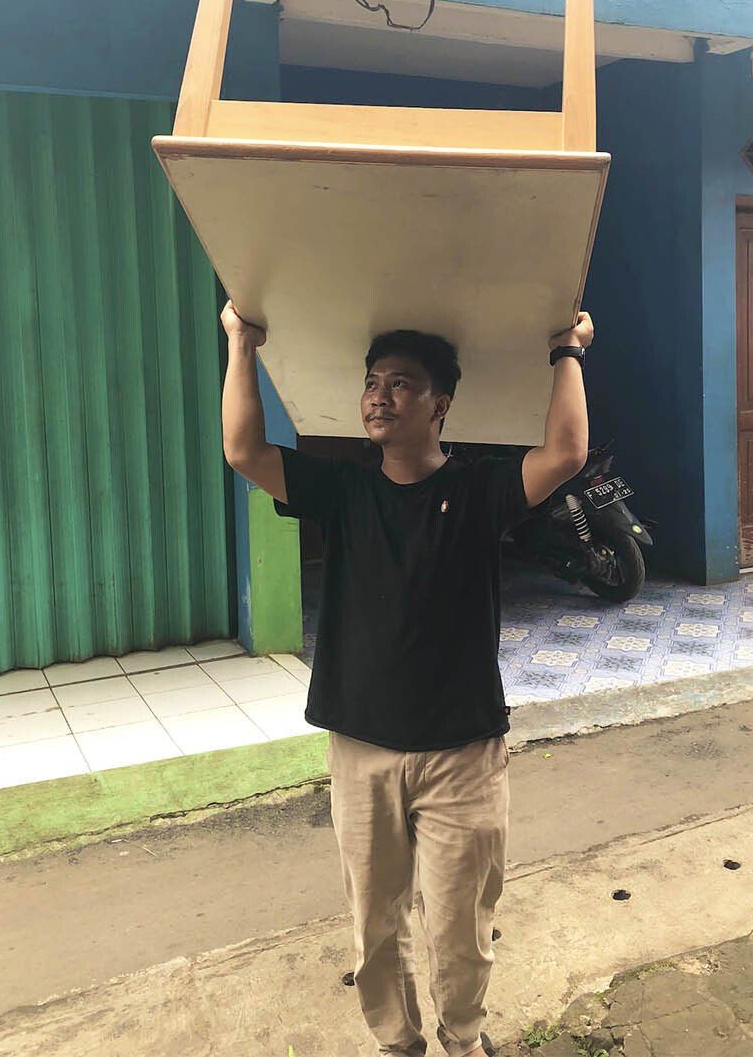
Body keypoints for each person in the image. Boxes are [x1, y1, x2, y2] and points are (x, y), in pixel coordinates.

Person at [220, 301, 593, 1057]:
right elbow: (243, 450)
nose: (379, 396)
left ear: (441, 405)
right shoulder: (344, 490)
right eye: (372, 382)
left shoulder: (481, 490)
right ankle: (397, 1042)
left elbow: (564, 453)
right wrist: (241, 343)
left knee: (461, 927)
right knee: (373, 925)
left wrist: (566, 350)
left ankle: (464, 1038)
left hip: (463, 755)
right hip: (364, 752)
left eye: (401, 384)